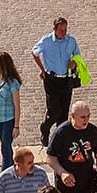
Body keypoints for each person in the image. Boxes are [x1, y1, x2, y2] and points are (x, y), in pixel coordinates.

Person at [33, 17, 81, 145]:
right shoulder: (46, 41)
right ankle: (45, 129)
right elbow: (34, 52)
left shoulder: (71, 41)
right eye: (61, 30)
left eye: (65, 29)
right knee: (54, 111)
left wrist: (74, 63)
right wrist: (42, 69)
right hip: (52, 80)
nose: (64, 32)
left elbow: (77, 55)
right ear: (54, 29)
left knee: (64, 112)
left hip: (66, 79)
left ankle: (59, 138)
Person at [47, 103, 97, 193]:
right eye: (82, 117)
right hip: (66, 185)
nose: (86, 120)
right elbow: (50, 157)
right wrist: (62, 172)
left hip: (85, 183)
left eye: (88, 116)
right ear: (73, 116)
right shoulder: (62, 132)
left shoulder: (93, 131)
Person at [0, 50, 24, 158]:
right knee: (5, 145)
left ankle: (6, 167)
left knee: (5, 147)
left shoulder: (13, 83)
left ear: (1, 65)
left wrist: (16, 126)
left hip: (8, 119)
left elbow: (17, 106)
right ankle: (11, 164)